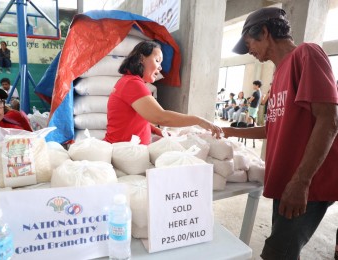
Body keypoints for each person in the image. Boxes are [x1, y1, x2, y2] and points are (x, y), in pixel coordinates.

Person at [224, 7, 338, 259]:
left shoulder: (306, 54)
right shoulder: (278, 75)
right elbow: (274, 128)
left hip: (308, 184)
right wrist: (226, 130)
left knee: (277, 253)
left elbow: (329, 120)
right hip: (287, 181)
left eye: (249, 43)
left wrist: (301, 182)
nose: (250, 51)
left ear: (264, 32)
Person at [104, 41, 222, 145]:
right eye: (157, 60)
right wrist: (198, 120)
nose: (160, 68)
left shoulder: (128, 81)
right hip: (124, 153)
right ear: (141, 58)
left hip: (125, 151)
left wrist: (157, 131)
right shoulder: (132, 83)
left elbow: (132, 121)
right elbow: (160, 117)